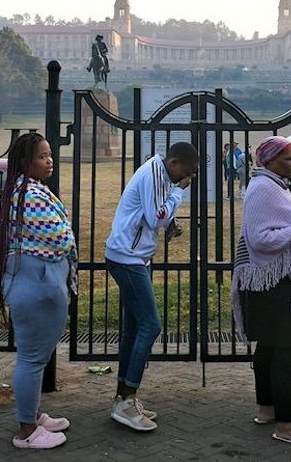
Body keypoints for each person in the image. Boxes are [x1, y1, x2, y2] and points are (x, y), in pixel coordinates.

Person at [231, 136, 291, 448]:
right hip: (270, 283)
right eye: (287, 158)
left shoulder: (275, 186)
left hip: (276, 280)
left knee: (270, 347)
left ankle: (267, 408)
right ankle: (287, 423)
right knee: (285, 347)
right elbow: (259, 239)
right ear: (269, 160)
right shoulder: (262, 189)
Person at [104, 142, 198, 432]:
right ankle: (127, 398)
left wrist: (174, 193)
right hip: (127, 258)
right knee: (151, 325)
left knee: (134, 328)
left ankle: (123, 398)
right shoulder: (157, 175)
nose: (189, 177)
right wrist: (179, 192)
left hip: (132, 257)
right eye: (188, 172)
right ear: (173, 162)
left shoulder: (158, 172)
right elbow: (156, 217)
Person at [0, 132, 75, 449]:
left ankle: (34, 414)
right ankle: (26, 430)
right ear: (26, 162)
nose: (49, 160)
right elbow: (60, 237)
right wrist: (67, 235)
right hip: (36, 284)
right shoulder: (28, 195)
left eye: (50, 154)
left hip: (37, 282)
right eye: (42, 156)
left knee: (36, 358)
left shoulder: (30, 190)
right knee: (31, 359)